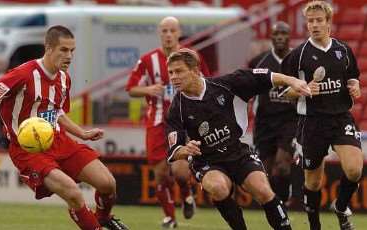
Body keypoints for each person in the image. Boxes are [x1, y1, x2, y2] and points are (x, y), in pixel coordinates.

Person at [0, 25, 128, 230]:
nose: (69, 56)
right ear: (48, 48)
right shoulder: (22, 75)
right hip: (28, 150)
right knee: (73, 193)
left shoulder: (64, 79)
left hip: (59, 141)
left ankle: (103, 218)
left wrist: (82, 133)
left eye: (72, 51)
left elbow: (57, 112)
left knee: (107, 184)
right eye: (64, 50)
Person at [165, 48, 311, 230]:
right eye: (170, 72)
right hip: (208, 161)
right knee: (218, 187)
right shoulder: (176, 109)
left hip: (237, 152)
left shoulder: (226, 84)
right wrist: (185, 149)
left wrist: (293, 80)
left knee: (263, 190)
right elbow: (174, 149)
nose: (173, 77)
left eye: (179, 71)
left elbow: (265, 76)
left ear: (195, 70)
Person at [281, 1, 363, 230]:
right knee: (313, 182)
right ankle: (314, 224)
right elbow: (283, 93)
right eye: (310, 21)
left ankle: (340, 206)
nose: (314, 25)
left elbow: (352, 77)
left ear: (329, 23)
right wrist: (301, 89)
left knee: (355, 169)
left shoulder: (343, 50)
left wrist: (356, 86)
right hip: (312, 123)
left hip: (340, 118)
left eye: (319, 20)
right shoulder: (298, 55)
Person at [126, 16, 209, 228]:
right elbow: (131, 88)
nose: (168, 35)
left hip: (184, 121)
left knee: (180, 172)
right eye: (164, 31)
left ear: (179, 32)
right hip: (156, 122)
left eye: (172, 30)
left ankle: (186, 193)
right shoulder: (147, 60)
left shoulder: (192, 57)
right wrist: (148, 89)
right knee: (161, 174)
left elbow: (207, 83)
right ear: (159, 33)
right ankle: (170, 217)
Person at [248, 21, 297, 205]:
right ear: (271, 38)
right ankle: (275, 205)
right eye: (276, 34)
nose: (279, 38)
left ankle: (283, 201)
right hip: (265, 123)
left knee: (282, 166)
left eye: (283, 34)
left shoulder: (297, 60)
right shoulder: (258, 62)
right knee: (265, 170)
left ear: (289, 37)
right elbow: (248, 90)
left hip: (290, 121)